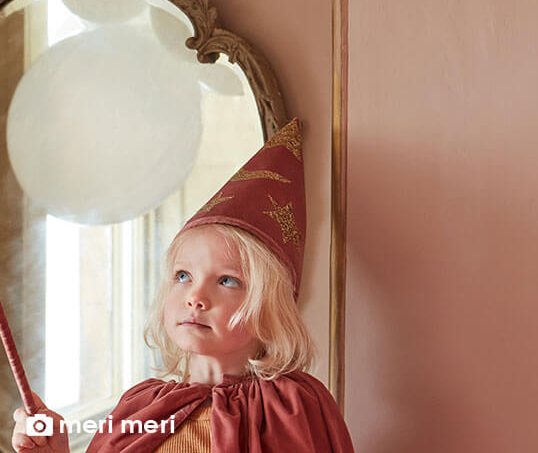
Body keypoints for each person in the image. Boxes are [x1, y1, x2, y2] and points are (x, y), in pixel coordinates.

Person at [11, 118, 354, 453]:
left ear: (269, 306)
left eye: (227, 280)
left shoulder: (290, 409)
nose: (196, 297)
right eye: (183, 276)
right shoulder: (140, 406)